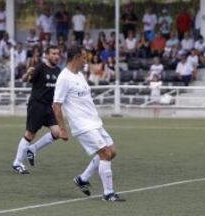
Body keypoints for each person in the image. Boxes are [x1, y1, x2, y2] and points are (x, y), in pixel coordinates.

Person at [52, 45, 125, 202]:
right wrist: (62, 129)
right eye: (84, 58)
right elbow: (56, 105)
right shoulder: (64, 78)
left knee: (112, 151)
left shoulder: (79, 75)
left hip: (94, 122)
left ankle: (82, 179)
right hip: (82, 125)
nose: (86, 61)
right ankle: (108, 194)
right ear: (76, 58)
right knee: (105, 154)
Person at [12, 45, 61, 174]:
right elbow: (25, 80)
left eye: (58, 54)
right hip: (36, 106)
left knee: (57, 132)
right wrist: (28, 73)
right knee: (30, 134)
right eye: (53, 53)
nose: (56, 56)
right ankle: (17, 163)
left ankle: (32, 149)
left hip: (48, 107)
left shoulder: (58, 71)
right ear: (47, 55)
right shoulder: (40, 67)